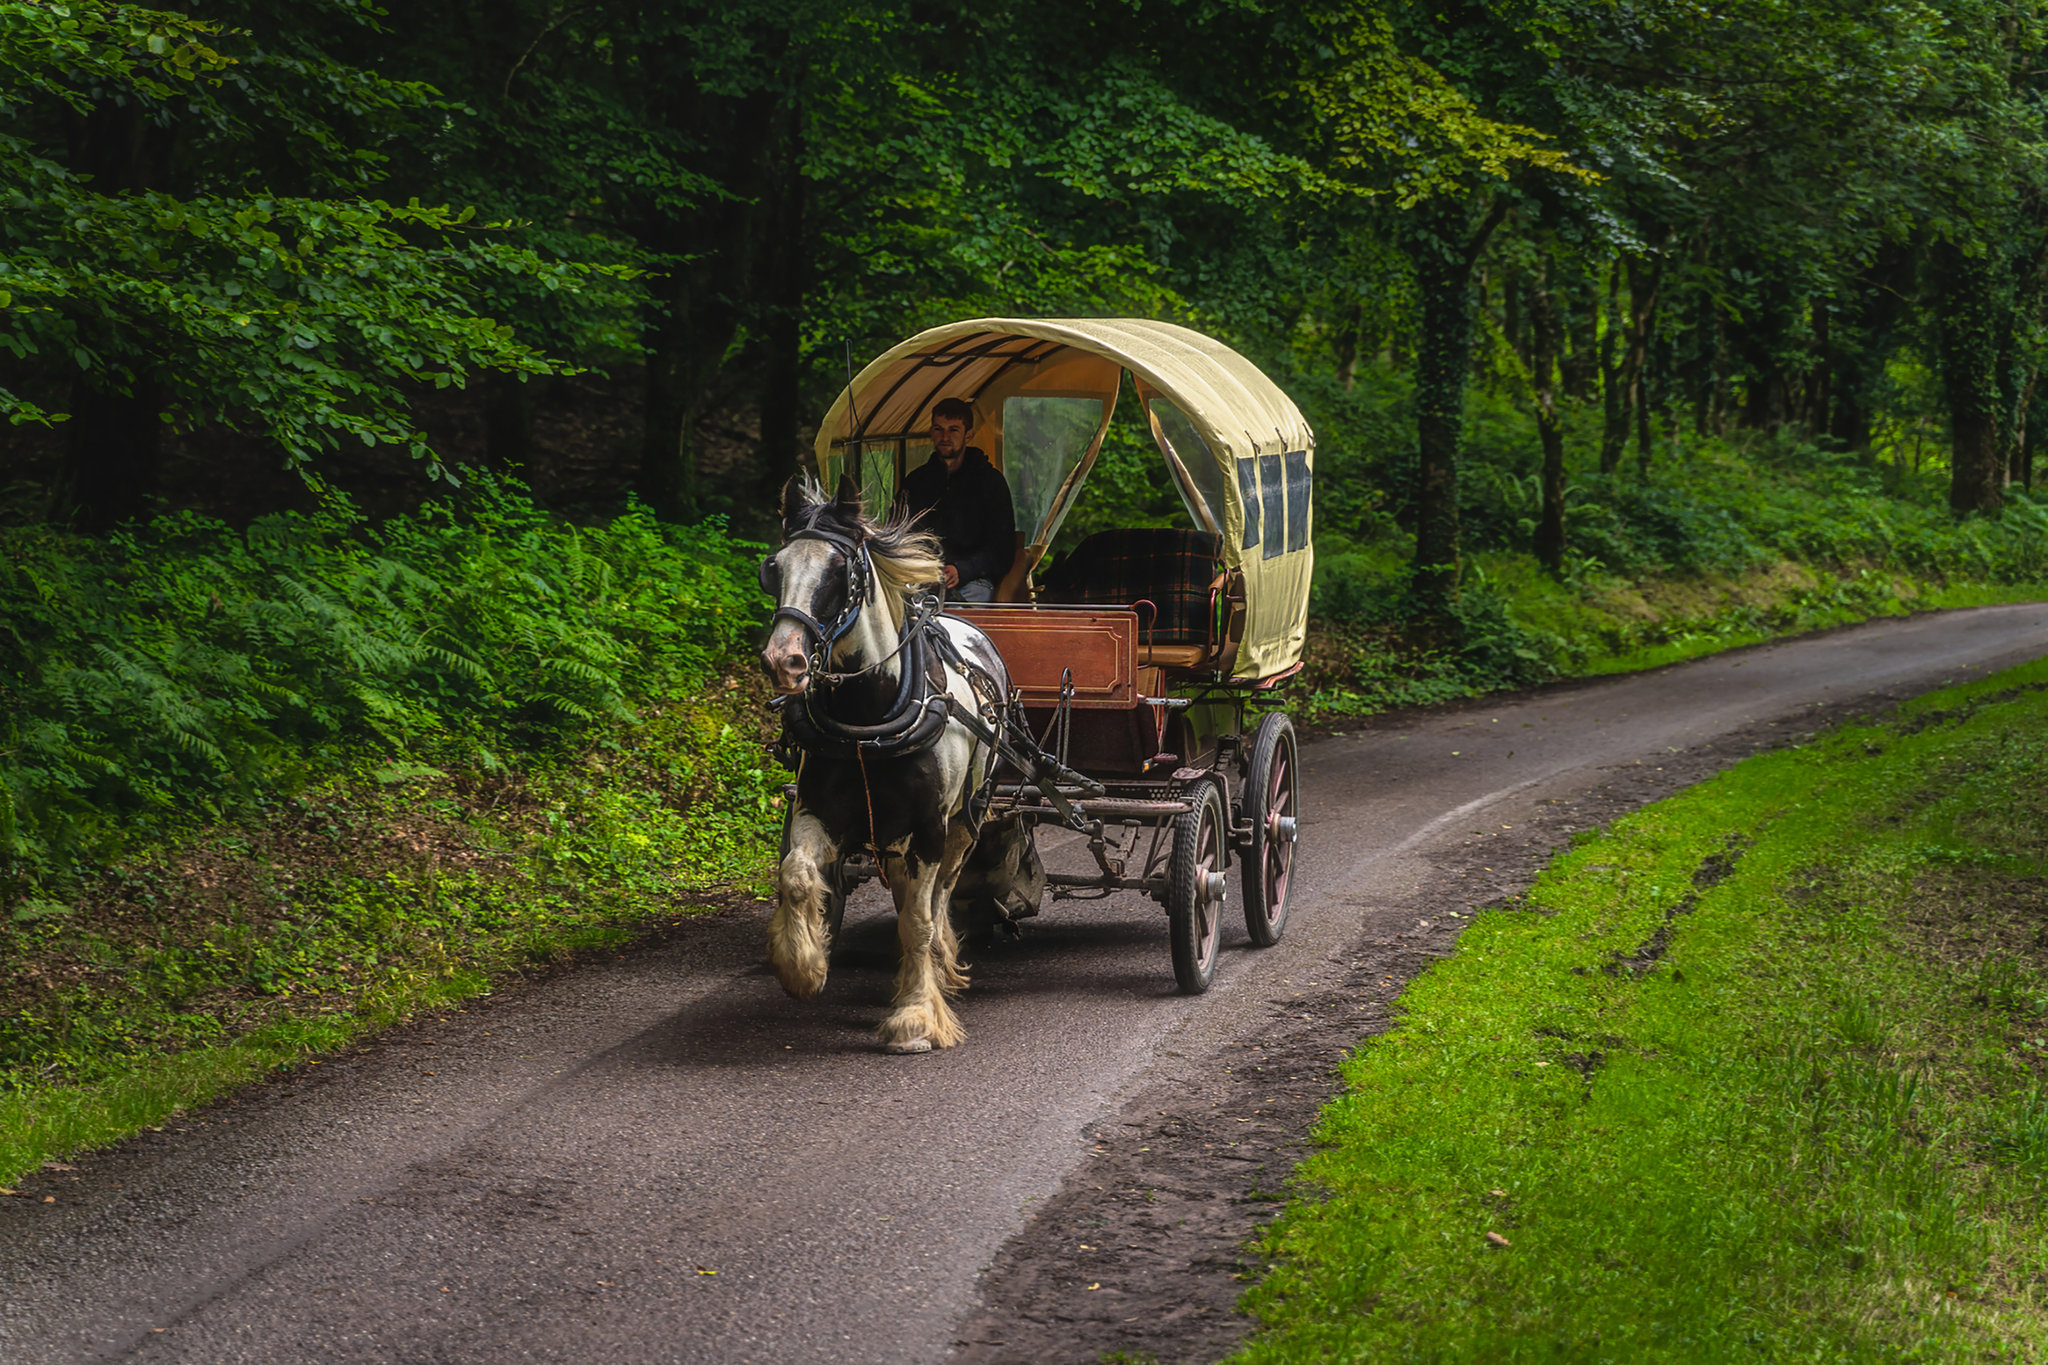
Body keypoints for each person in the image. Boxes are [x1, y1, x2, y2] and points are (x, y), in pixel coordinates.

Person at [898, 397, 1015, 603]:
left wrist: (961, 570)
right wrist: (923, 568)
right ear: (931, 432)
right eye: (938, 429)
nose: (945, 437)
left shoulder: (990, 482)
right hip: (921, 581)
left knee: (960, 626)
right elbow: (900, 534)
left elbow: (1001, 549)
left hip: (973, 582)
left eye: (953, 430)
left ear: (968, 435)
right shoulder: (915, 482)